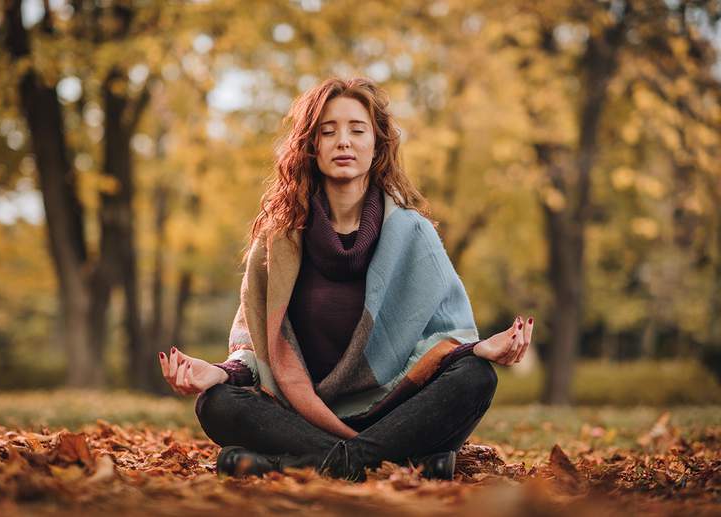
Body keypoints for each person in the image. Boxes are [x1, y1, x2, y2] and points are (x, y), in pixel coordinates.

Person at [158, 77, 534, 482]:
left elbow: (442, 342)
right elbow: (255, 346)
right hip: (300, 415)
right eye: (328, 131)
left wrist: (481, 350)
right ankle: (393, 464)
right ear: (311, 145)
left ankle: (305, 464)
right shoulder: (279, 241)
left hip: (394, 412)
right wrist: (221, 373)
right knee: (215, 402)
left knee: (476, 378)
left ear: (377, 145)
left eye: (357, 130)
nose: (343, 142)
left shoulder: (413, 235)